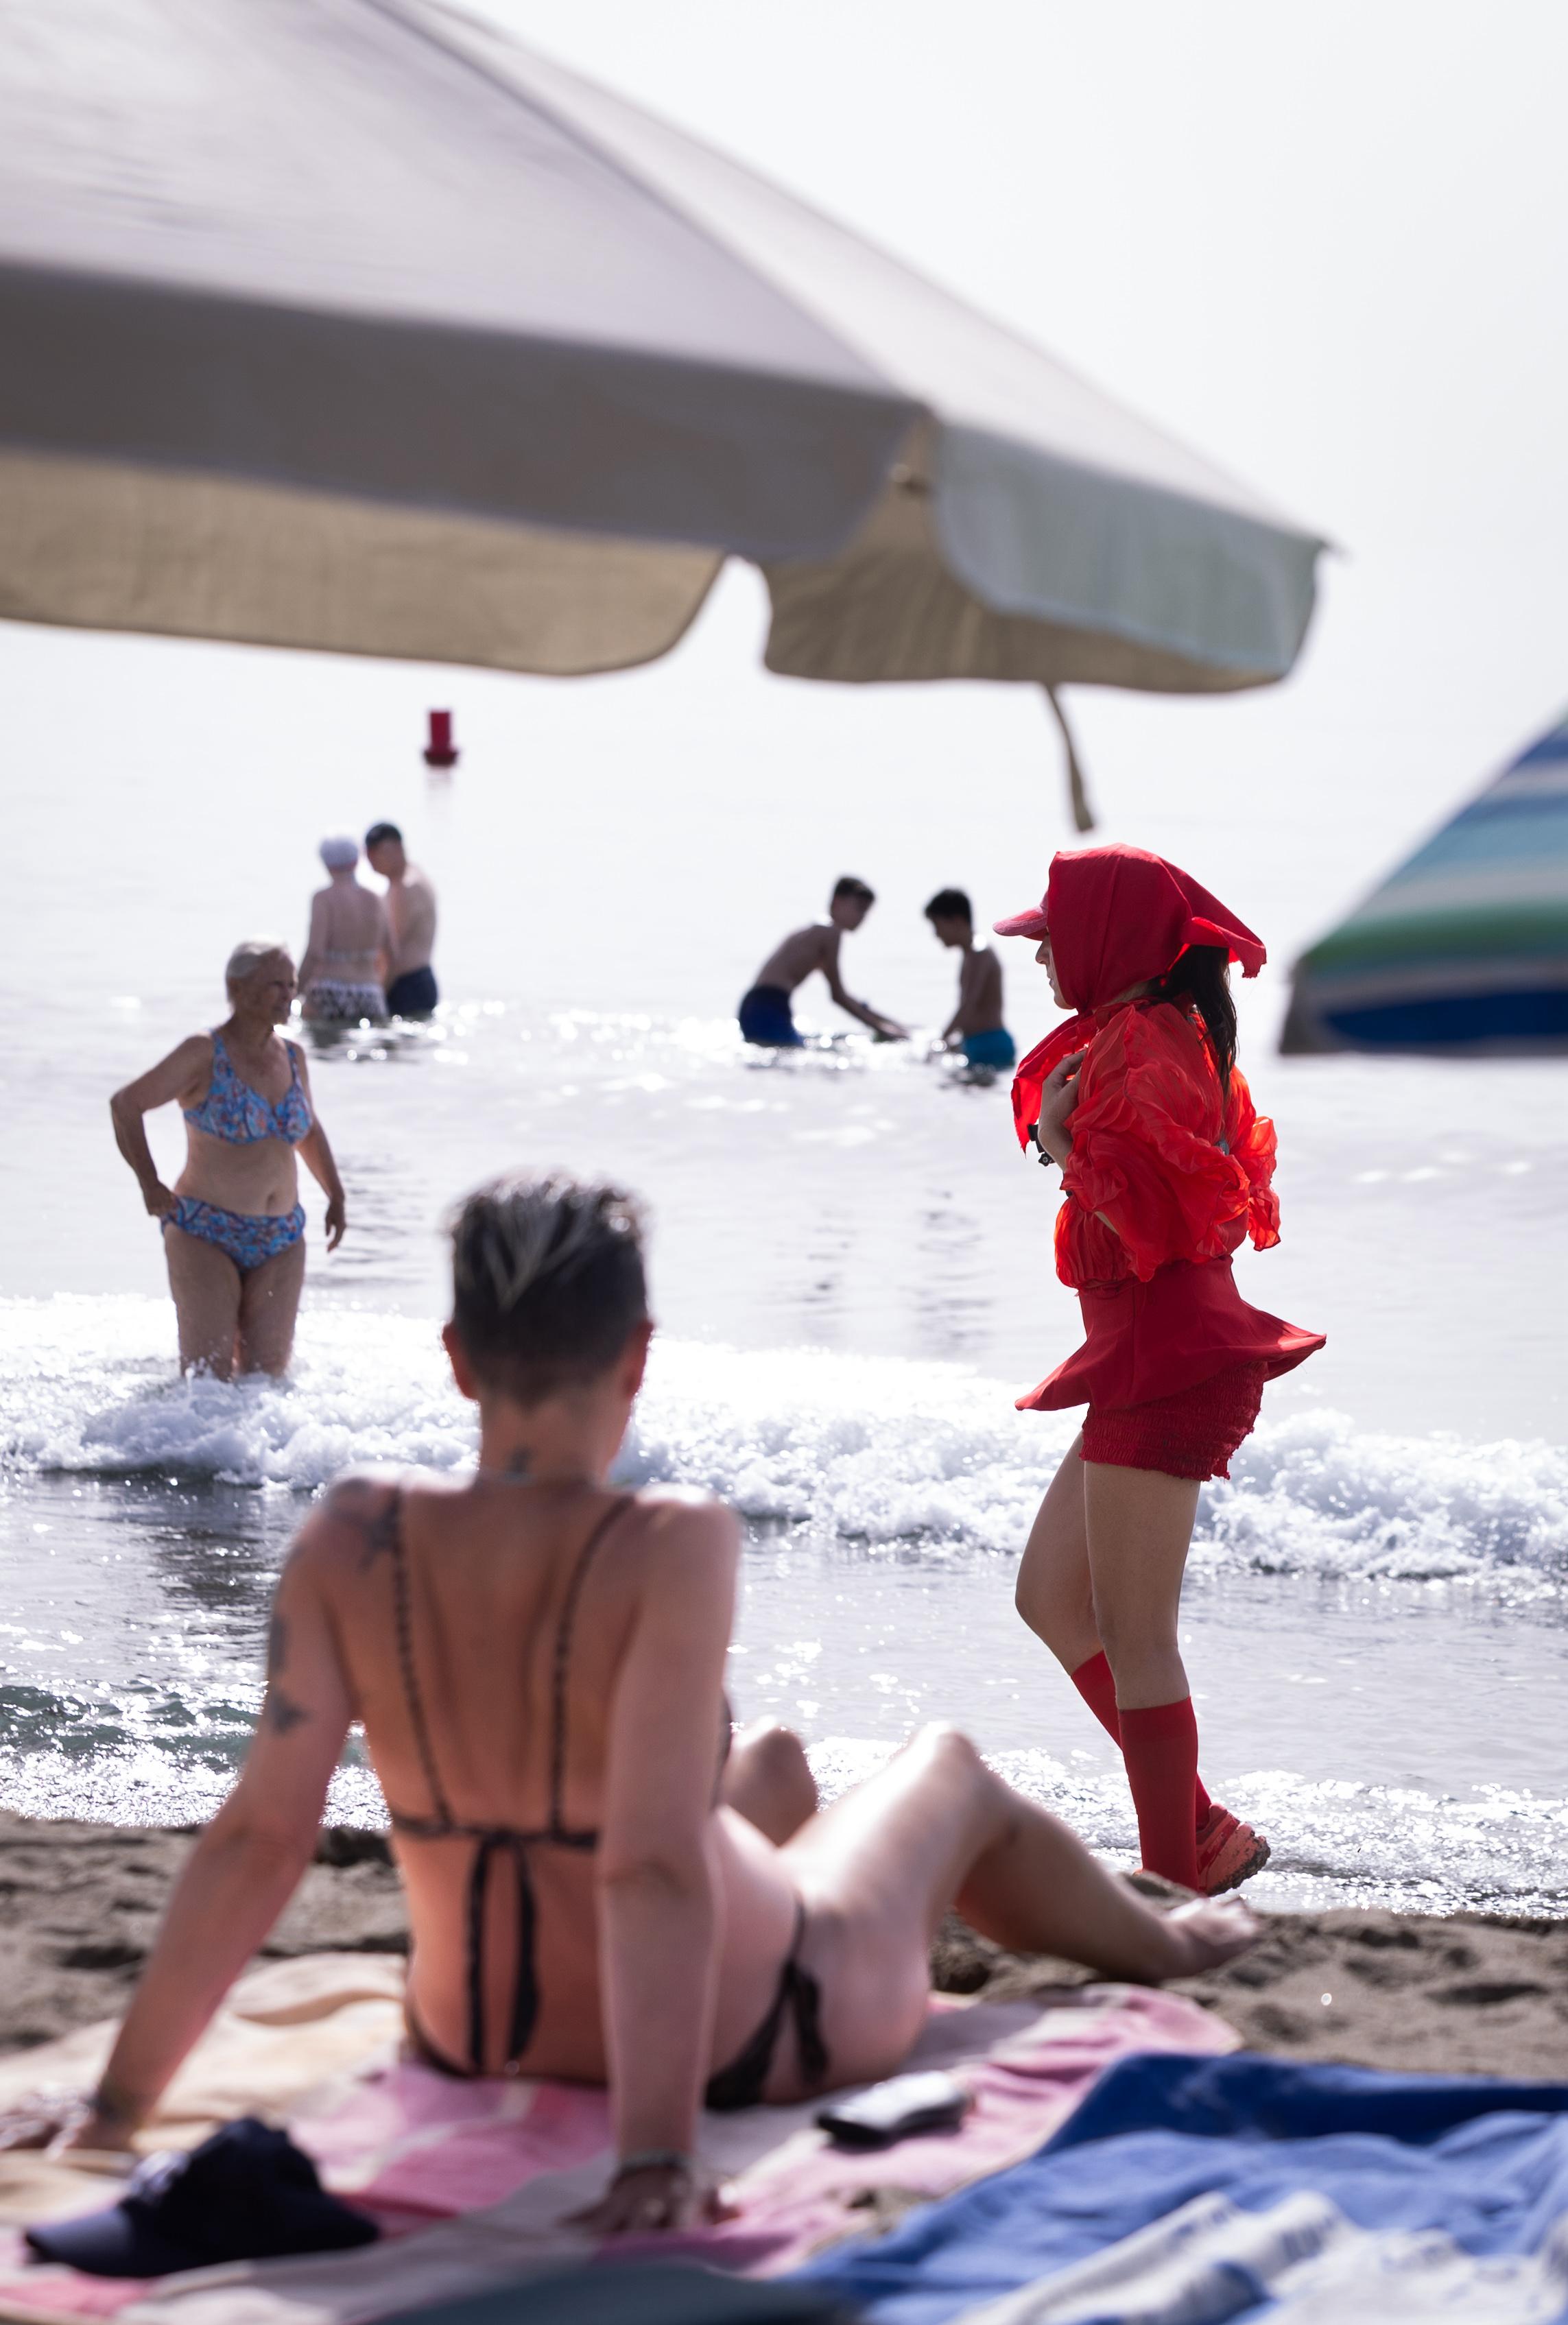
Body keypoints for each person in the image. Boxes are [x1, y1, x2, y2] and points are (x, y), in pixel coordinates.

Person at [1, 1172, 1257, 2228]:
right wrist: (656, 2154)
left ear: (455, 1363)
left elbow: (257, 1839)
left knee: (767, 1765)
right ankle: (1162, 1940)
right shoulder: (668, 1542)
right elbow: (651, 1868)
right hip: (745, 2030)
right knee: (945, 1769)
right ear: (639, 1359)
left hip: (470, 2028)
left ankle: (830, 1844)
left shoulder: (351, 1533)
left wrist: (119, 2106)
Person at [994, 845, 1325, 1898]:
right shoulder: (1150, 1033)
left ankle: (1170, 1885)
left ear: (1110, 943)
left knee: (1139, 1642)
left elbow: (1157, 1220)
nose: (1041, 958)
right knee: (1051, 1596)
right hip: (1145, 1358)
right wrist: (1069, 1139)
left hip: (1165, 1364)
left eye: (1052, 938)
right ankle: (1200, 1833)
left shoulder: (1145, 1044)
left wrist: (1056, 1132)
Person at [109, 942, 346, 1376]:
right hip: (205, 1231)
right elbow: (126, 1105)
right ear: (236, 987)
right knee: (207, 1381)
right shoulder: (204, 1053)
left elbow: (308, 1129)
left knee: (267, 1384)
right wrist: (149, 1182)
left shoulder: (292, 1055)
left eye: (292, 985)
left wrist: (336, 1195)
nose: (287, 994)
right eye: (275, 984)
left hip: (281, 1237)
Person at [739, 878, 907, 1047]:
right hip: (768, 1008)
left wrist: (894, 1025)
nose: (862, 917)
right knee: (794, 1056)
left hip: (756, 1006)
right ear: (837, 902)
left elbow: (843, 995)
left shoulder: (816, 930)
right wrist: (883, 1031)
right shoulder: (830, 933)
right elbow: (838, 996)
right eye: (859, 908)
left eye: (866, 912)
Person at [298, 836, 391, 1023]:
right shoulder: (375, 898)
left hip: (330, 987)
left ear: (326, 863)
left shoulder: (324, 898)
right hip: (370, 991)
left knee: (325, 1050)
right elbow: (392, 951)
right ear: (356, 861)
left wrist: (294, 989)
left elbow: (315, 952)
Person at [925, 887, 1016, 1074]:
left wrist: (940, 1042)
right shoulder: (971, 953)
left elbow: (968, 1005)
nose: (936, 934)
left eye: (937, 925)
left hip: (990, 1044)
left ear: (956, 920)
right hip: (979, 1043)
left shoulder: (978, 953)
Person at [364, 821, 439, 1018]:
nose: (371, 860)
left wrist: (377, 995)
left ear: (397, 848)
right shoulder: (413, 875)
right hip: (418, 981)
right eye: (368, 854)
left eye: (377, 853)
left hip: (407, 985)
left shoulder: (406, 888)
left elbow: (391, 953)